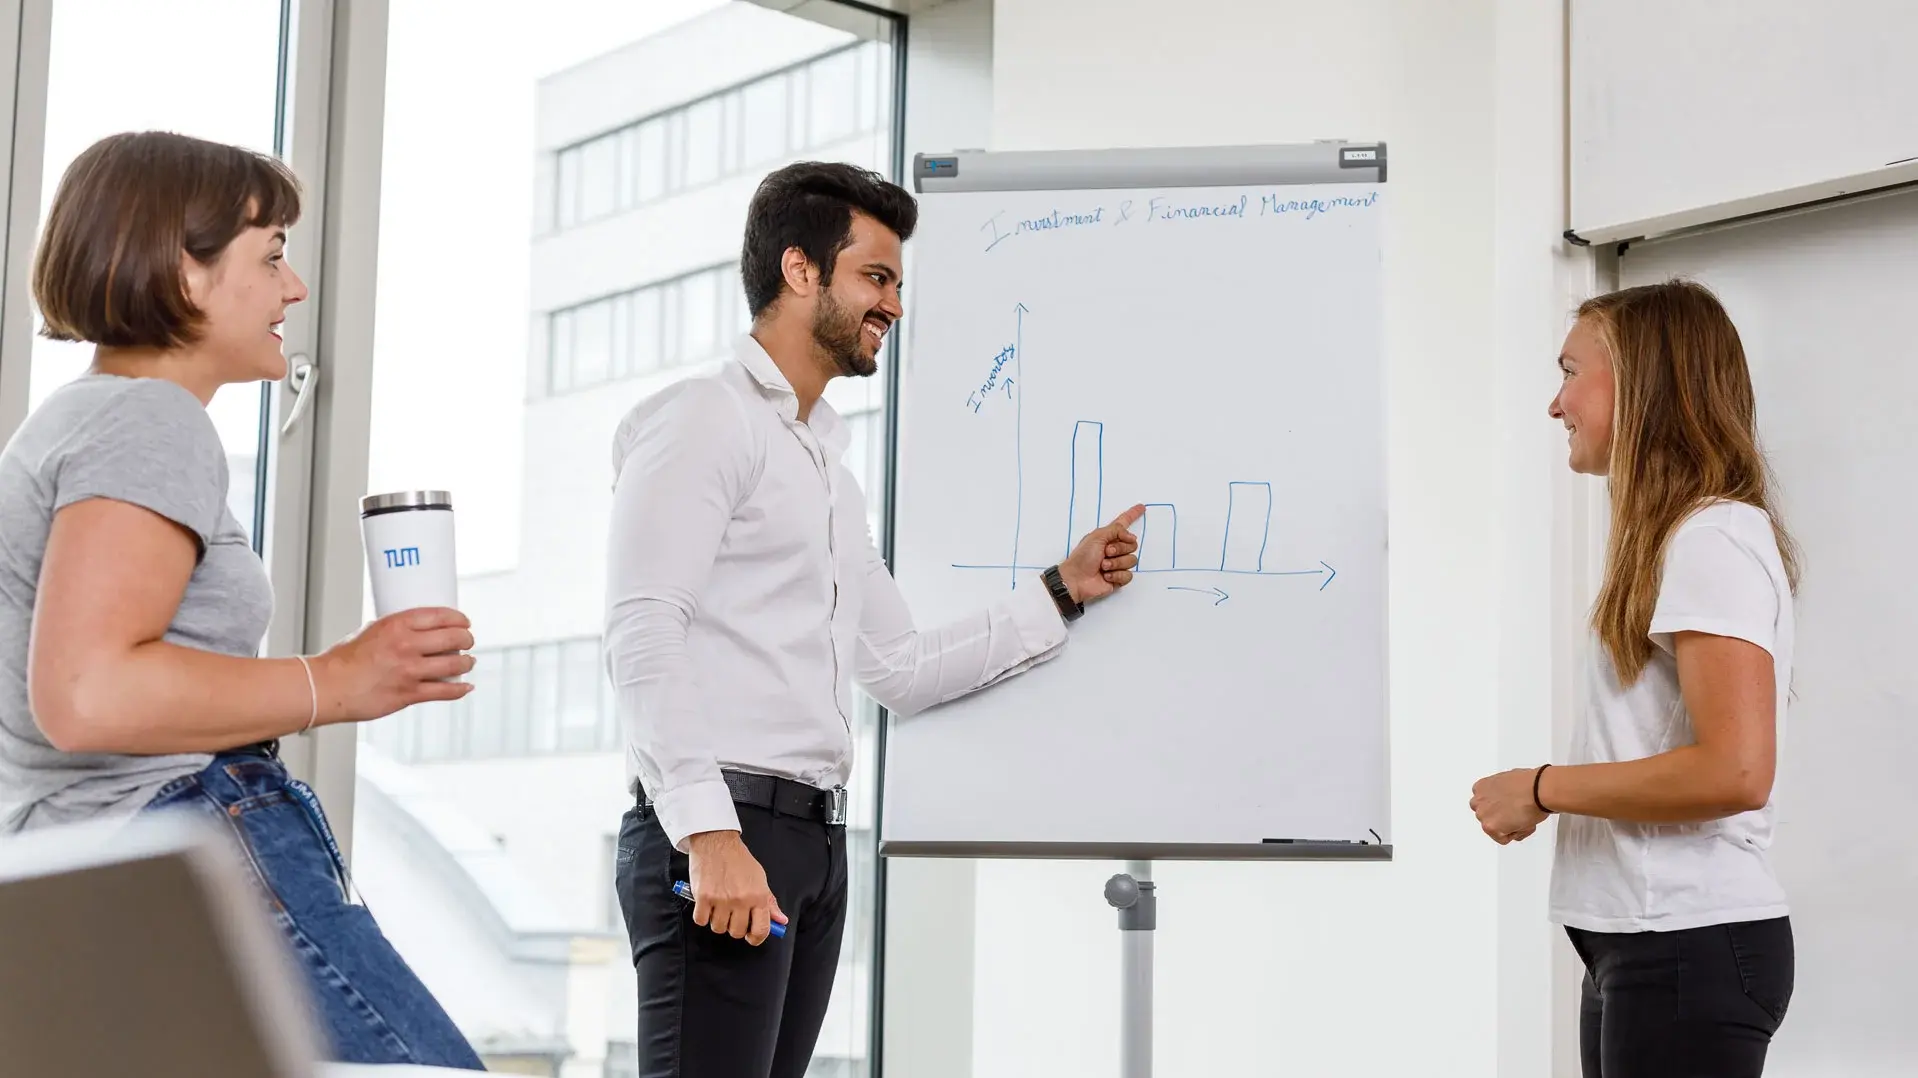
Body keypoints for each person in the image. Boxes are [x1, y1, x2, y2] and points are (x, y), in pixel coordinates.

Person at [606, 160, 1145, 1077]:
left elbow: (897, 664)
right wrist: (708, 834)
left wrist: (1060, 589)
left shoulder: (826, 470)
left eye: (895, 282)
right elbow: (643, 630)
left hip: (810, 845)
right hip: (725, 831)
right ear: (800, 271)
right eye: (877, 276)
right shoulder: (706, 419)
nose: (893, 304)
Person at [0, 131, 484, 1069]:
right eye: (270, 258)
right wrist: (339, 680)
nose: (294, 288)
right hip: (164, 836)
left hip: (89, 871)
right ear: (185, 274)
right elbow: (88, 693)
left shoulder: (73, 421)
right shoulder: (148, 418)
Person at [1470, 280, 1798, 1076]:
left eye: (1570, 372)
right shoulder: (1674, 540)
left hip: (1684, 946)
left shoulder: (1712, 539)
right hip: (1642, 946)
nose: (1556, 404)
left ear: (1644, 384)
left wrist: (1543, 787)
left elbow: (1738, 769)